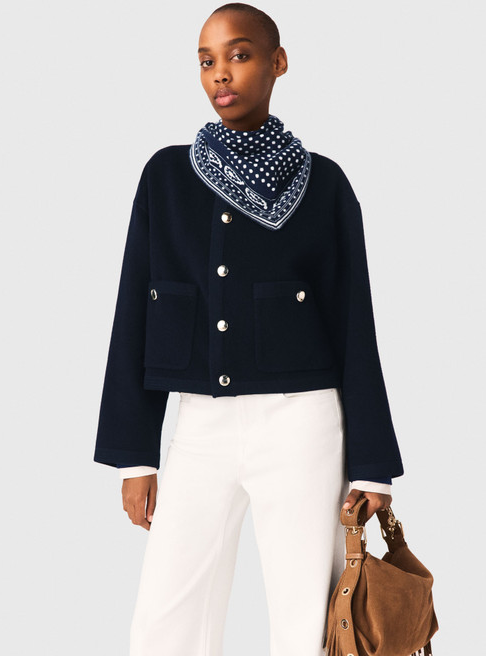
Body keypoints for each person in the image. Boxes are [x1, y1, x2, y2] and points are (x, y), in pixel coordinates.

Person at [93, 3, 404, 655]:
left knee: (306, 621)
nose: (220, 73)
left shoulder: (324, 184)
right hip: (200, 426)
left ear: (278, 62)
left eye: (238, 54)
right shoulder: (165, 177)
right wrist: (136, 455)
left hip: (303, 424)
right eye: (206, 61)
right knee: (162, 622)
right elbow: (135, 311)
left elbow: (355, 323)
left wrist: (373, 467)